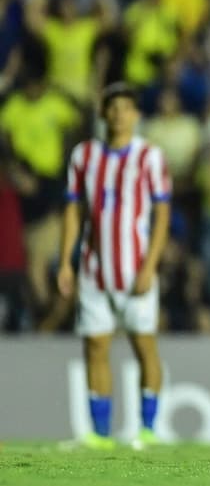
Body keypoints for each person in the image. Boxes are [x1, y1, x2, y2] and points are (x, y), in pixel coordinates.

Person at [57, 84, 171, 449]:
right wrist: (65, 262)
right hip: (94, 268)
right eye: (113, 108)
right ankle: (100, 435)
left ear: (136, 115)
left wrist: (150, 265)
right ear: (104, 113)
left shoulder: (149, 157)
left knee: (144, 347)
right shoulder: (84, 155)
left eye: (126, 108)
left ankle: (148, 430)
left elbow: (162, 213)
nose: (119, 114)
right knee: (95, 347)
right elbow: (74, 211)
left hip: (135, 266)